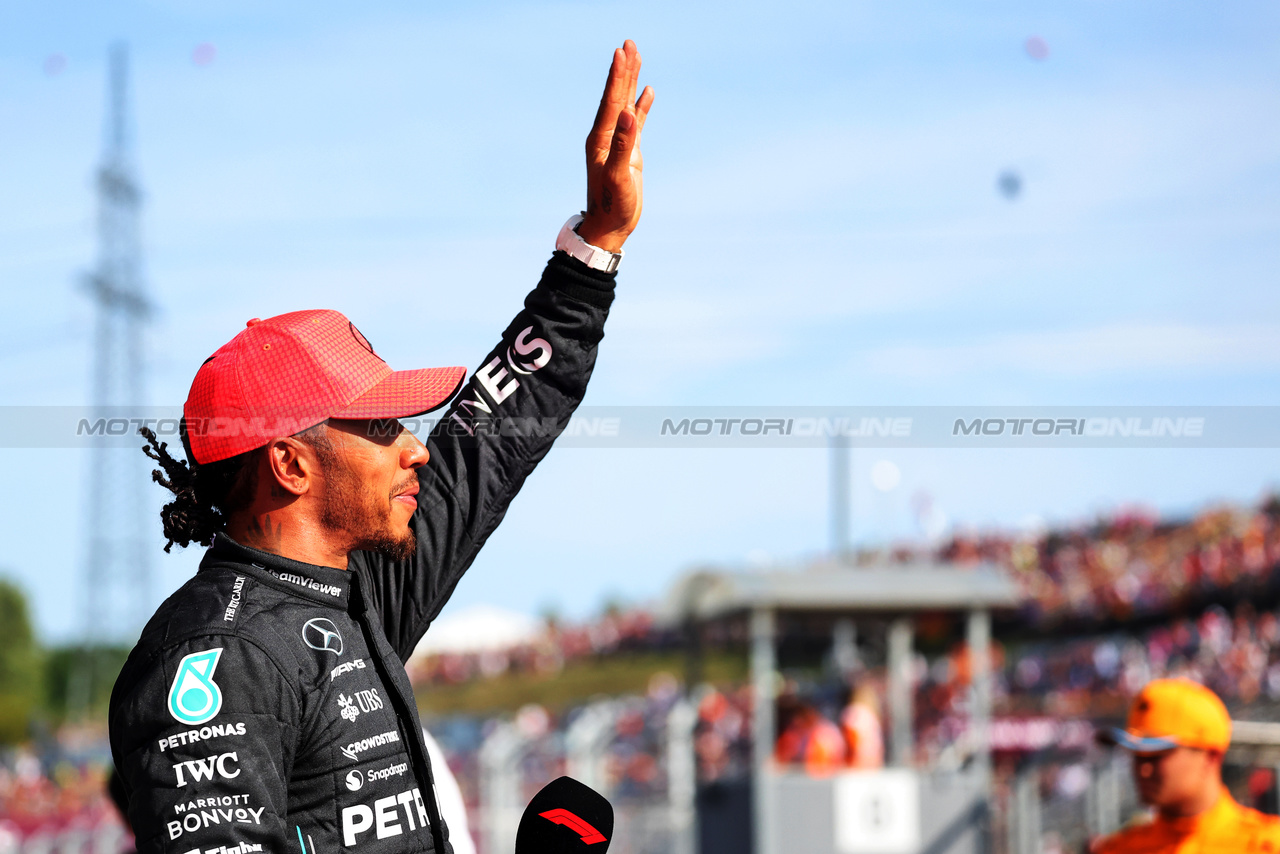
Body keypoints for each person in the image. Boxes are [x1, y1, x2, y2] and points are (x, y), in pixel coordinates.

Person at [108, 41, 653, 854]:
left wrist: (595, 245)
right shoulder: (219, 653)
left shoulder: (348, 592)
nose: (416, 449)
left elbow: (488, 441)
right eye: (379, 426)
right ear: (289, 463)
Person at [1092, 678, 1280, 853]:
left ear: (1211, 756)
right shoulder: (1117, 849)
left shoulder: (1267, 844)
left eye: (1156, 755)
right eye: (1137, 756)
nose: (1142, 769)